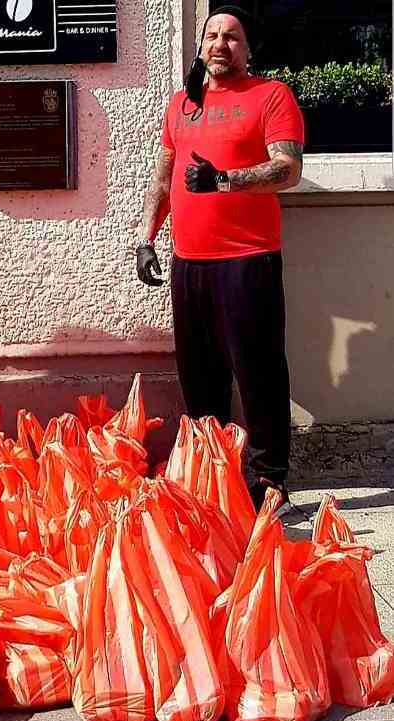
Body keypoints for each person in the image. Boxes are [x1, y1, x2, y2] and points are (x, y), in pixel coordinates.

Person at [135, 2, 304, 510]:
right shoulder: (180, 105)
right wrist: (146, 237)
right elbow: (163, 178)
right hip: (189, 263)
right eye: (212, 35)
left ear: (247, 49)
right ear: (201, 45)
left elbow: (288, 169)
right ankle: (212, 481)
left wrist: (224, 180)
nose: (220, 44)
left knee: (259, 376)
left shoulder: (270, 97)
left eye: (232, 37)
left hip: (247, 261)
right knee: (200, 380)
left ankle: (267, 486)